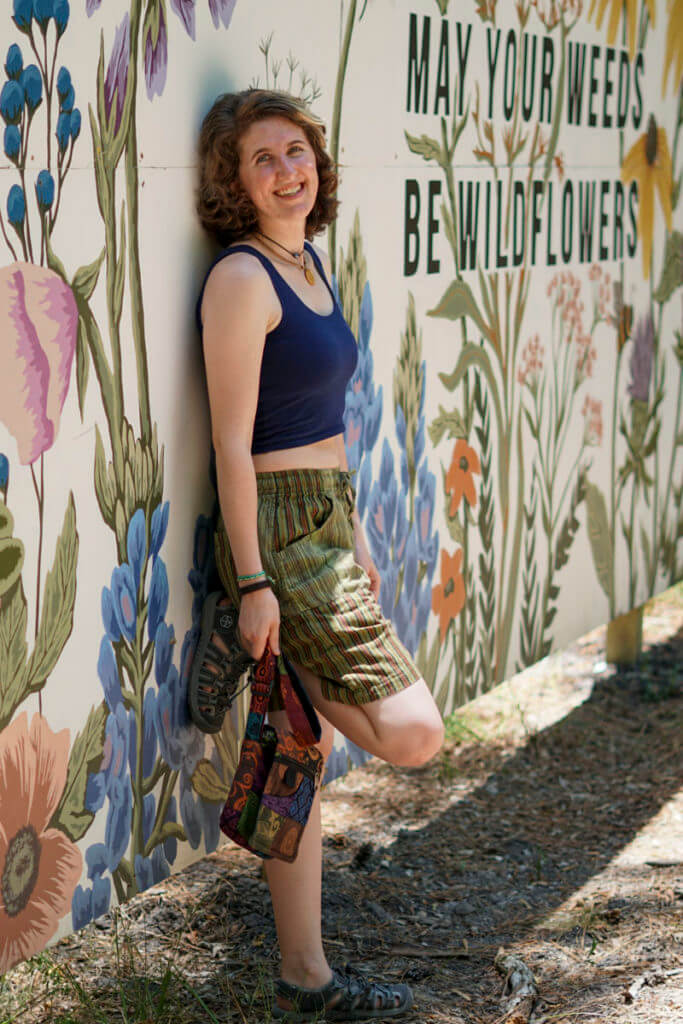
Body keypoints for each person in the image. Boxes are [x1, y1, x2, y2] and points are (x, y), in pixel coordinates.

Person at [194, 88, 444, 1021]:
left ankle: (307, 977)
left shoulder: (308, 265)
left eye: (294, 151)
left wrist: (359, 530)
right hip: (279, 531)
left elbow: (328, 426)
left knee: (299, 746)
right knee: (415, 732)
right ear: (235, 183)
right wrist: (256, 581)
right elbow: (232, 443)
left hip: (329, 521)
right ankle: (266, 634)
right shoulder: (243, 279)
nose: (286, 171)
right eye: (262, 160)